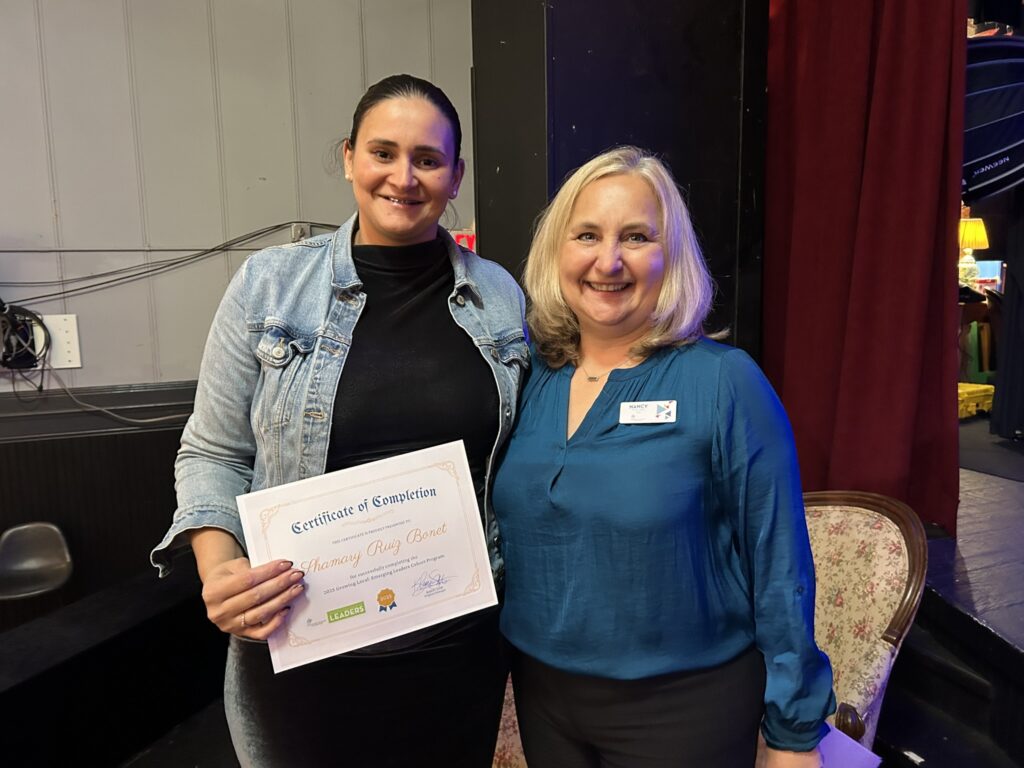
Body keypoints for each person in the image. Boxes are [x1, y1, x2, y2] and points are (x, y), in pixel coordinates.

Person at [151, 74, 529, 768]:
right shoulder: (269, 285)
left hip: (454, 653)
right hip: (301, 651)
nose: (403, 178)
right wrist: (219, 568)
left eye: (428, 159)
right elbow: (212, 451)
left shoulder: (499, 295)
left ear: (456, 176)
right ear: (350, 157)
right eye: (383, 153)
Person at [491, 146, 835, 768]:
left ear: (670, 256)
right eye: (587, 235)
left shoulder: (724, 381)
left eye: (637, 237)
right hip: (543, 698)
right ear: (557, 250)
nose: (609, 261)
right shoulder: (528, 376)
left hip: (683, 709)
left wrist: (794, 732)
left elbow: (779, 562)